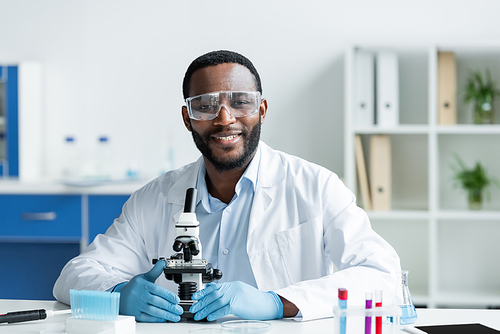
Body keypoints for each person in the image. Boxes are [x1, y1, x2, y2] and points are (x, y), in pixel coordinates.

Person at [53, 50, 401, 323]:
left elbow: (383, 278)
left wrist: (277, 303)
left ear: (262, 109)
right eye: (205, 106)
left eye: (240, 102)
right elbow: (72, 276)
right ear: (188, 118)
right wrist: (117, 293)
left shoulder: (315, 187)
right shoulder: (154, 198)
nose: (224, 118)